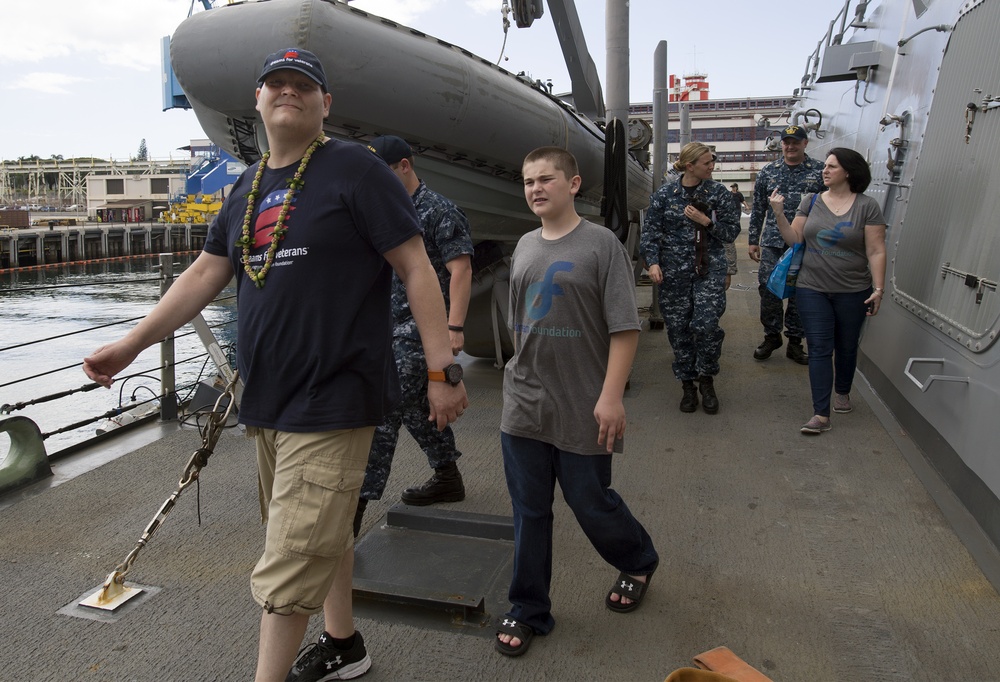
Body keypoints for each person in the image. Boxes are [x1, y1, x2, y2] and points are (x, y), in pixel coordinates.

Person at [82, 47, 468, 682]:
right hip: (268, 399)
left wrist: (441, 369)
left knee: (289, 555)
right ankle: (344, 644)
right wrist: (131, 345)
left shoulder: (356, 170)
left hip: (336, 397)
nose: (288, 91)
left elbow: (416, 266)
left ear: (325, 104)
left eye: (303, 84)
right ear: (258, 100)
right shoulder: (246, 185)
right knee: (322, 531)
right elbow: (206, 273)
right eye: (276, 83)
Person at [495, 146, 659, 658]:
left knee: (591, 503)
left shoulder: (601, 245)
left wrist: (611, 398)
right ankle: (528, 609)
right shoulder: (523, 245)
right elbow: (518, 322)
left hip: (584, 404)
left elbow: (625, 328)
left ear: (573, 184)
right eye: (528, 182)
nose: (536, 189)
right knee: (529, 512)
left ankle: (637, 559)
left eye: (546, 179)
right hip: (523, 401)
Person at [355, 135, 474, 533]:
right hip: (383, 326)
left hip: (420, 329)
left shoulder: (439, 210)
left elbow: (461, 269)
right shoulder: (379, 210)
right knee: (415, 407)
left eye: (383, 171)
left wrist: (454, 327)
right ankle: (447, 475)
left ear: (404, 166)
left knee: (383, 412)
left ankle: (352, 509)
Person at [767, 147, 886, 435]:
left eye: (832, 166)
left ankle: (842, 391)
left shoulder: (867, 206)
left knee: (845, 347)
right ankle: (820, 414)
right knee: (819, 348)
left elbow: (876, 249)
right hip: (812, 288)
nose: (825, 170)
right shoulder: (811, 201)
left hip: (854, 290)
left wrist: (879, 288)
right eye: (826, 166)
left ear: (848, 171)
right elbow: (795, 238)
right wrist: (779, 214)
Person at [640, 142, 741, 414]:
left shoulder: (719, 194)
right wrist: (653, 263)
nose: (712, 166)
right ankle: (687, 384)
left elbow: (731, 232)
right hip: (674, 273)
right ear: (689, 166)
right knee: (679, 329)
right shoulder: (664, 195)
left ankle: (706, 379)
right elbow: (650, 233)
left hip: (708, 270)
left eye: (712, 161)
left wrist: (707, 221)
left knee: (706, 325)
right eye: (707, 162)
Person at [747, 125, 824, 364]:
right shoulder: (768, 172)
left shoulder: (819, 171)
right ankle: (772, 336)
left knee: (800, 291)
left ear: (805, 143)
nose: (790, 146)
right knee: (768, 287)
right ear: (781, 144)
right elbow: (758, 207)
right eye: (786, 142)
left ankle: (794, 341)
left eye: (795, 142)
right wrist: (753, 240)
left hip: (806, 242)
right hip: (773, 241)